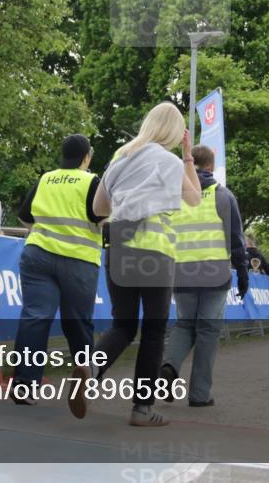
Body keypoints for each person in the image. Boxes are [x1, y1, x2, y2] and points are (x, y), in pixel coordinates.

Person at [86, 102, 202, 427]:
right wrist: (187, 156)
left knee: (122, 325)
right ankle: (141, 409)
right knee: (153, 331)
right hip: (154, 253)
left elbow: (98, 208)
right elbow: (195, 199)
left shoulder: (120, 158)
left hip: (118, 247)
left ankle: (91, 368)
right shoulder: (170, 162)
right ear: (175, 132)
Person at [10, 135, 105, 414]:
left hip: (38, 255)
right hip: (78, 261)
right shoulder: (92, 182)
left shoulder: (46, 179)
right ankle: (83, 380)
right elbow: (103, 218)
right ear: (86, 157)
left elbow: (24, 217)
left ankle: (24, 385)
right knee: (78, 323)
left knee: (35, 317)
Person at [160, 145, 249, 408]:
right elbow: (236, 239)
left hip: (181, 272)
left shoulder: (175, 197)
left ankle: (168, 367)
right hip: (214, 273)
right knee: (208, 330)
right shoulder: (223, 196)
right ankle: (199, 394)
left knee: (184, 324)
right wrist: (242, 271)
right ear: (211, 166)